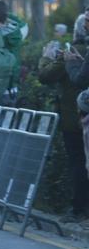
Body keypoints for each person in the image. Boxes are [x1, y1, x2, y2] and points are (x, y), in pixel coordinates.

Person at [38, 37, 89, 220]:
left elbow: (45, 76)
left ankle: (79, 208)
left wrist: (46, 57)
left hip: (75, 119)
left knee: (78, 163)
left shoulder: (73, 51)